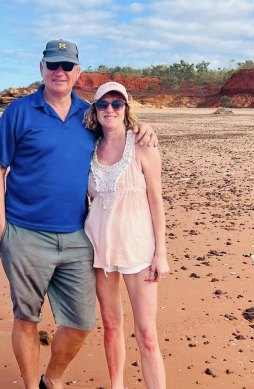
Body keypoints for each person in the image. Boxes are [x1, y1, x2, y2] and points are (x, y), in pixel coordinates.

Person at [0, 39, 157, 389]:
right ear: (42, 69)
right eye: (53, 65)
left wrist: (144, 127)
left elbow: (117, 129)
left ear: (77, 72)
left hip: (80, 237)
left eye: (67, 66)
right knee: (26, 316)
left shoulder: (87, 116)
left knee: (82, 321)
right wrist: (0, 228)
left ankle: (54, 377)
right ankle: (32, 385)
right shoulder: (18, 112)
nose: (59, 72)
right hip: (24, 233)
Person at [83, 82, 170, 389]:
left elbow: (157, 201)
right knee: (110, 324)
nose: (110, 109)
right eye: (103, 104)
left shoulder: (143, 145)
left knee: (146, 334)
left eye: (117, 104)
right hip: (100, 248)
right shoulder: (88, 148)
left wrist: (161, 253)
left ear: (126, 108)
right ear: (95, 110)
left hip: (139, 249)